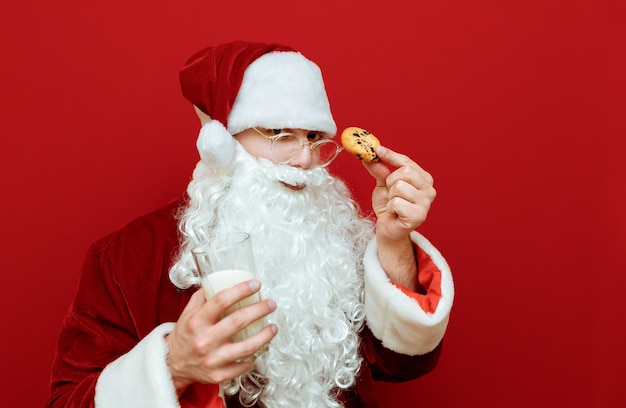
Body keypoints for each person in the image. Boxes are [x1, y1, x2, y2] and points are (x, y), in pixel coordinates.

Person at [46, 41, 454, 408]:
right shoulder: (124, 258)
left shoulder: (331, 236)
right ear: (222, 140)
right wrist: (175, 366)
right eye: (279, 133)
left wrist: (394, 241)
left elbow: (403, 365)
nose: (304, 160)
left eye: (313, 136)